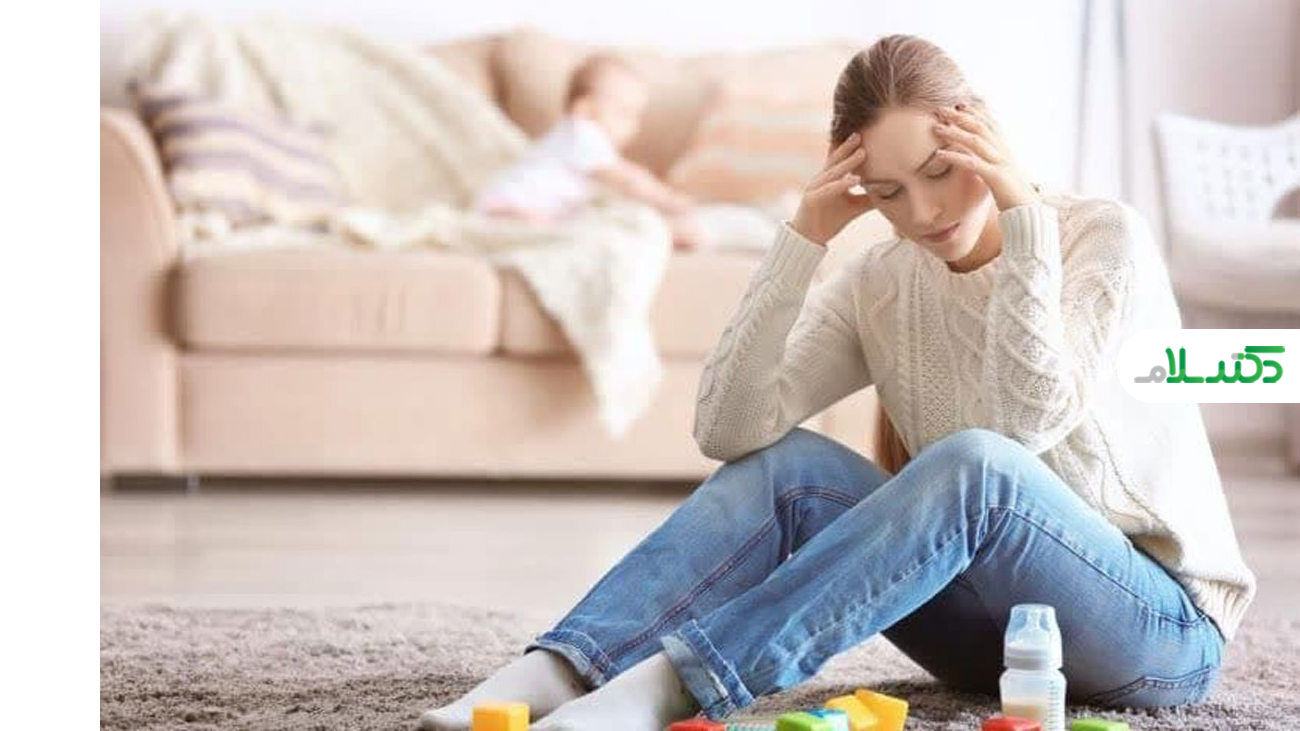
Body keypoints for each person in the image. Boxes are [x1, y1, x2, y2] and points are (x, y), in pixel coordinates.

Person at [424, 34, 1256, 731]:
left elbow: (1022, 426)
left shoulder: (1100, 236)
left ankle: (676, 685)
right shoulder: (881, 281)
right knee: (786, 465)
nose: (924, 211)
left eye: (938, 170)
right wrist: (802, 241)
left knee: (981, 463)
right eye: (889, 192)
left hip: (1155, 633)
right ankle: (560, 670)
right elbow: (729, 430)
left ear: (981, 133)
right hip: (985, 642)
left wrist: (1021, 220)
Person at [473, 52, 706, 250]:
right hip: (515, 204)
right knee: (569, 237)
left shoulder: (574, 139)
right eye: (624, 113)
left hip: (511, 205)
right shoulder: (583, 133)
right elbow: (627, 180)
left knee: (583, 228)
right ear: (584, 109)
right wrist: (667, 200)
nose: (634, 126)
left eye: (636, 116)